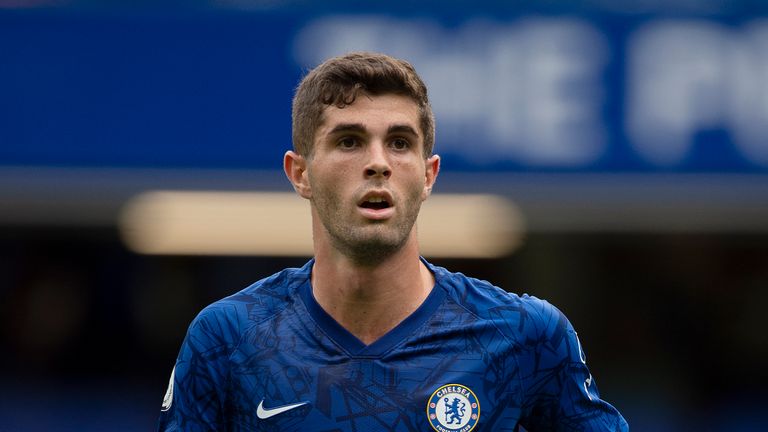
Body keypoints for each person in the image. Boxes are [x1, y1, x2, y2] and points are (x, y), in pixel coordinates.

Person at [156, 52, 628, 431]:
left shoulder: (525, 336)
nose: (378, 163)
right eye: (349, 141)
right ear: (300, 173)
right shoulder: (227, 339)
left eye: (400, 142)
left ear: (428, 175)